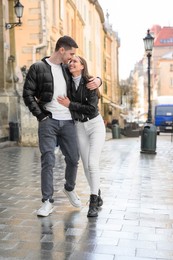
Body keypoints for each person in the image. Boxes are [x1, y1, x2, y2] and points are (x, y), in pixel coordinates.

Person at [23, 36, 102, 217]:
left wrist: (99, 80)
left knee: (73, 159)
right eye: (71, 53)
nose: (72, 58)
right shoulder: (38, 68)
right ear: (62, 50)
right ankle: (47, 201)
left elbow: (84, 77)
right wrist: (41, 116)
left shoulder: (68, 69)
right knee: (48, 159)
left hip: (69, 122)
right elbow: (27, 94)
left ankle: (69, 187)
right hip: (48, 121)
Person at [57, 55, 106, 217]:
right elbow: (53, 62)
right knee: (85, 165)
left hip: (95, 125)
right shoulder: (68, 80)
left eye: (75, 61)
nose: (71, 63)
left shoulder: (90, 82)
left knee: (92, 163)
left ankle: (93, 201)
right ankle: (97, 193)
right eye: (70, 61)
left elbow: (91, 109)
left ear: (82, 66)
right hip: (79, 126)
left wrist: (99, 80)